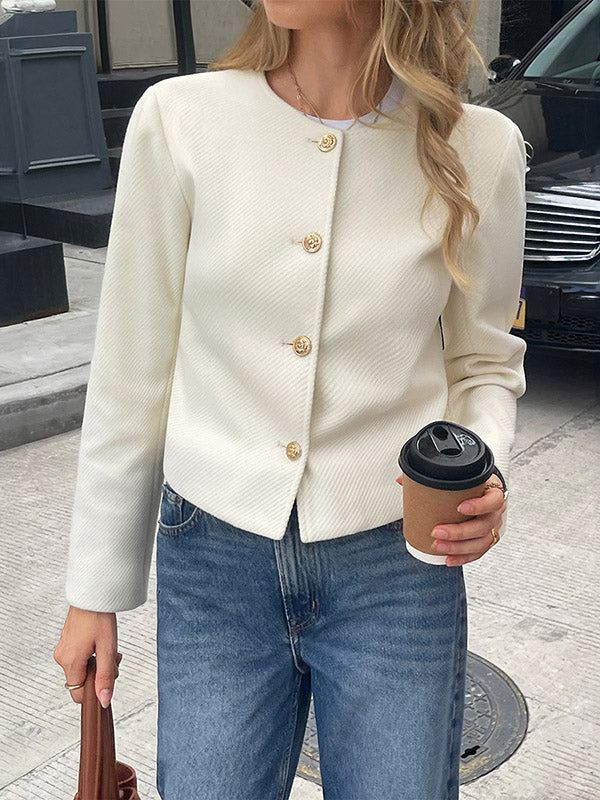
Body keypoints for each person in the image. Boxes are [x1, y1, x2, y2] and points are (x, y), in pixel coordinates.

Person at [53, 0, 526, 797]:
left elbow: (484, 362)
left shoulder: (480, 148)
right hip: (212, 559)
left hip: (396, 566)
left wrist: (482, 473)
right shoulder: (180, 120)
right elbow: (133, 370)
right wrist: (94, 592)